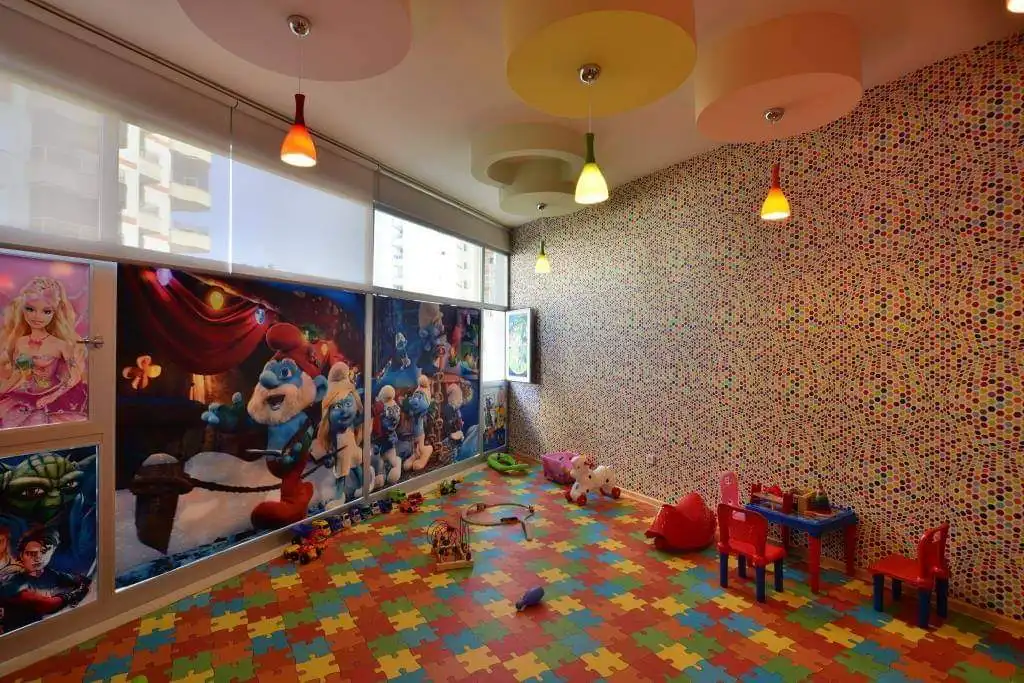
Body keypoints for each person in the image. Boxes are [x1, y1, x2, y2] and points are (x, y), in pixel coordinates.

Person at [0, 277, 87, 428]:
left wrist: (53, 396)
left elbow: (74, 377)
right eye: (30, 309)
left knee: (38, 423)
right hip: (26, 394)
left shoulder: (60, 345)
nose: (37, 317)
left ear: (54, 313)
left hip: (52, 395)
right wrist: (5, 388)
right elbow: (23, 374)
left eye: (46, 311)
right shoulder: (21, 342)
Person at [0, 527, 90, 632]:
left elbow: (79, 580)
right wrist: (74, 594)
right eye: (31, 553)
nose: (38, 558)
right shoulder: (12, 581)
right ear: (21, 555)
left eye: (43, 552)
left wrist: (80, 585)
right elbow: (47, 604)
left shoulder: (50, 574)